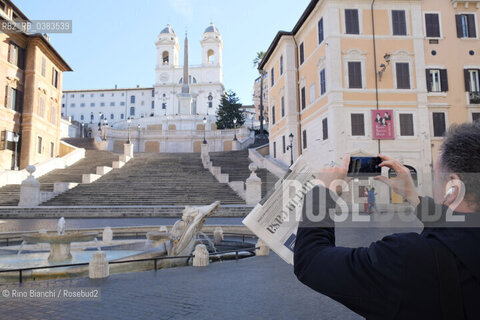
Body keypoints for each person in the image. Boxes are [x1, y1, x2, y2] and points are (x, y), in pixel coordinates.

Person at [294, 122, 480, 319]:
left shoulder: (407, 258)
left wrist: (323, 193)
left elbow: (310, 259)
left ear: (453, 188)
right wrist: (413, 197)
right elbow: (457, 230)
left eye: (435, 176)